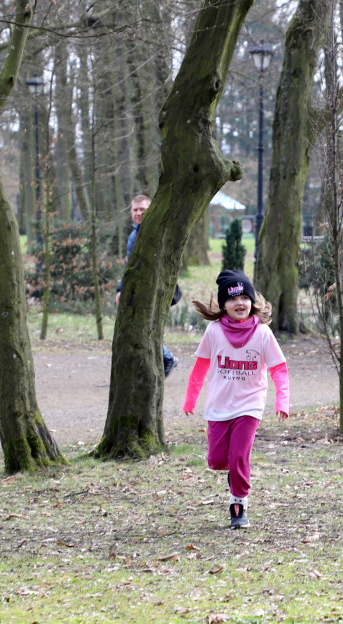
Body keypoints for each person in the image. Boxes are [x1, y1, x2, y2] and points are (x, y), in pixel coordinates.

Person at [183, 270, 290, 529]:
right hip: (219, 407)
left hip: (249, 405)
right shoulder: (214, 331)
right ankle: (234, 475)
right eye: (233, 299)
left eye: (244, 297)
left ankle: (238, 505)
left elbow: (279, 368)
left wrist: (282, 401)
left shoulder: (263, 333)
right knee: (218, 460)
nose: (239, 303)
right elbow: (200, 367)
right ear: (224, 304)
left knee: (240, 455)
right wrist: (190, 399)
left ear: (252, 301)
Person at [116, 195, 178, 377]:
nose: (138, 213)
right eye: (135, 210)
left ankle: (166, 358)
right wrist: (121, 289)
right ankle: (153, 362)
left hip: (155, 290)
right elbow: (130, 266)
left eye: (142, 209)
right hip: (138, 290)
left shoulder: (157, 233)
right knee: (139, 326)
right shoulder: (134, 235)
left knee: (148, 326)